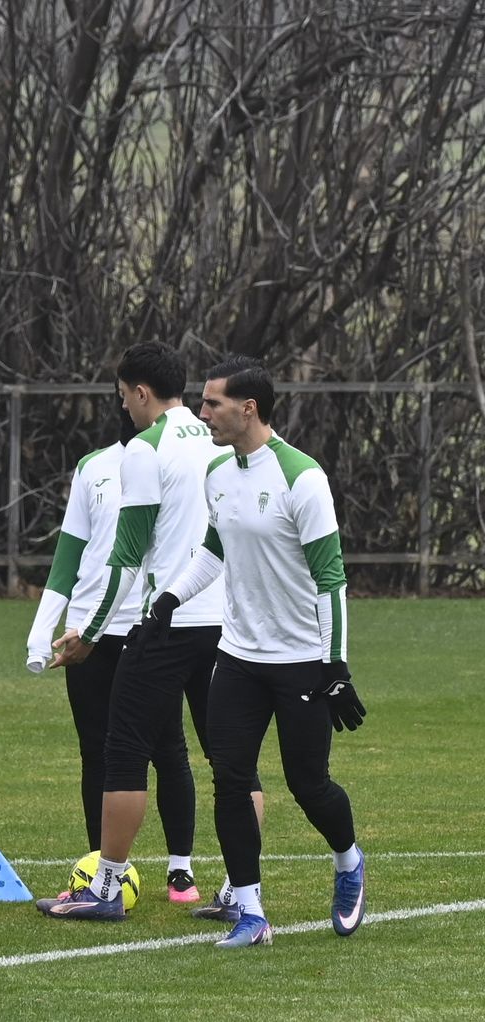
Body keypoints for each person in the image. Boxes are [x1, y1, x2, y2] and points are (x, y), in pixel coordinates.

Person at [38, 341, 260, 921]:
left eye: (123, 397)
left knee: (124, 752)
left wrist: (87, 631)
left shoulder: (144, 449)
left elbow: (126, 556)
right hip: (226, 625)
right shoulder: (218, 441)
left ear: (139, 392)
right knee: (230, 760)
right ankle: (242, 891)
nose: (125, 409)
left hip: (165, 622)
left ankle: (106, 888)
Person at [149, 356, 365, 948]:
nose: (202, 412)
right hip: (238, 657)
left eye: (213, 403)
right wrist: (169, 598)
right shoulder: (218, 472)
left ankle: (348, 862)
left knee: (308, 783)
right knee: (230, 777)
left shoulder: (303, 478)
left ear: (249, 409)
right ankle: (250, 911)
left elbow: (332, 580)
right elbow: (213, 553)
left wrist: (335, 664)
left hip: (300, 660)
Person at [25, 406, 211, 901]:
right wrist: (43, 630)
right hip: (90, 627)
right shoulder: (94, 467)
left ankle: (181, 868)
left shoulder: (182, 457)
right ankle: (100, 867)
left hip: (148, 625)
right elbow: (70, 552)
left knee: (167, 747)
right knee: (98, 751)